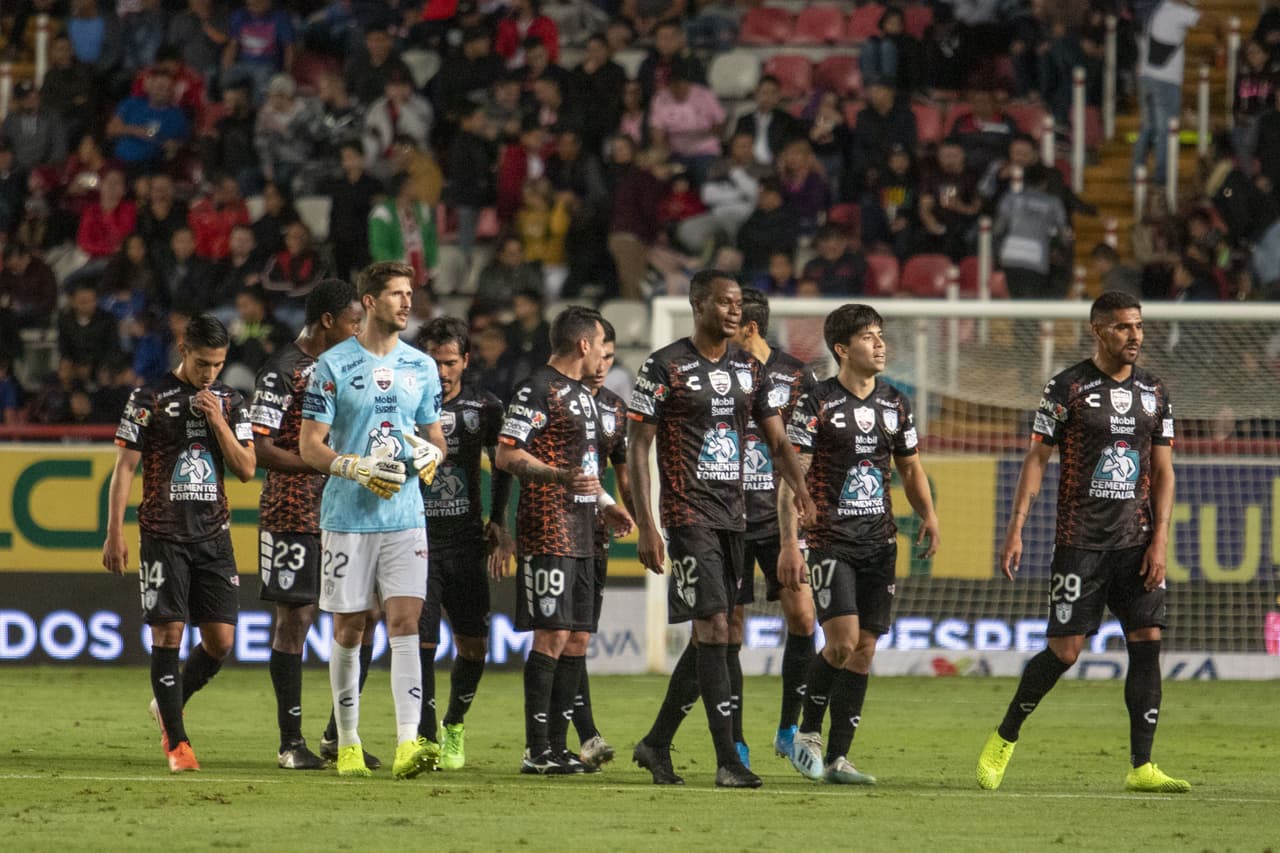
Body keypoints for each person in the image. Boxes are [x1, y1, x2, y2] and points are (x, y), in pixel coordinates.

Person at [975, 291, 1188, 794]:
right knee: (1065, 652)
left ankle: (1142, 766)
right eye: (1122, 327)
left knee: (1147, 643)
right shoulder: (1067, 387)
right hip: (1080, 542)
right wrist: (1016, 526)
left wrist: (1159, 539)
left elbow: (1164, 471)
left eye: (1138, 326)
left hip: (1137, 542)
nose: (1134, 336)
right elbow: (1036, 459)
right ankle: (1005, 736)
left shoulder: (1155, 390)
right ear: (1098, 329)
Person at [628, 270, 816, 789]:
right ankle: (729, 759)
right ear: (698, 305)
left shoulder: (749, 369)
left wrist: (800, 488)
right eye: (724, 303)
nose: (735, 311)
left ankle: (656, 742)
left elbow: (778, 441)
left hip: (736, 516)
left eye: (738, 304)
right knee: (714, 627)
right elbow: (638, 447)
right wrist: (647, 524)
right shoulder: (664, 365)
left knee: (721, 634)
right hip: (688, 514)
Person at [298, 261, 448, 779]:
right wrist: (355, 467)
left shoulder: (421, 366)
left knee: (406, 622)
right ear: (368, 301)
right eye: (396, 294)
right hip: (347, 518)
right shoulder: (332, 365)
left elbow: (435, 436)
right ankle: (347, 742)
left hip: (405, 516)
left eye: (410, 293)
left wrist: (432, 455)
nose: (407, 303)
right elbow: (310, 445)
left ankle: (408, 742)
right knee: (350, 627)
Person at [780, 303, 940, 785]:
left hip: (880, 541)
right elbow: (793, 476)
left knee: (865, 649)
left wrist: (928, 514)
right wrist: (789, 542)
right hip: (832, 541)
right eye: (869, 337)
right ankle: (807, 734)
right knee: (842, 642)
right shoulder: (816, 403)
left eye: (880, 335)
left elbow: (910, 467)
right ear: (842, 349)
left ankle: (839, 759)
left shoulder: (896, 403)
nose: (880, 344)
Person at [101, 315, 257, 772]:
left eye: (219, 364)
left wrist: (218, 420)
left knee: (220, 642)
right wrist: (114, 532)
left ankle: (168, 703)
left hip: (214, 536)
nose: (211, 373)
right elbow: (124, 468)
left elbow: (247, 469)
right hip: (163, 534)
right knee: (168, 633)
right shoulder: (148, 398)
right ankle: (178, 743)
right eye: (203, 362)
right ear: (184, 349)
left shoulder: (230, 401)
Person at [495, 305, 634, 774]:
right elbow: (506, 455)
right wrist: (556, 476)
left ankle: (557, 747)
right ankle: (535, 750)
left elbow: (584, 469)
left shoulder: (589, 398)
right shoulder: (537, 387)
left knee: (576, 639)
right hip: (547, 526)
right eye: (601, 345)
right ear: (584, 344)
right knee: (552, 633)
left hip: (586, 530)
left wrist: (605, 503)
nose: (604, 355)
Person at [250, 279, 365, 770]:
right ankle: (290, 742)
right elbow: (260, 448)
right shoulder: (282, 371)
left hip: (347, 509)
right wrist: (324, 465)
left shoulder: (350, 367)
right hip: (292, 509)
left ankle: (339, 735)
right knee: (295, 620)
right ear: (327, 322)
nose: (359, 331)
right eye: (354, 322)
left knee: (362, 615)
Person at [413, 317, 514, 770]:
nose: (441, 371)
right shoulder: (405, 405)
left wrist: (499, 520)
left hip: (468, 541)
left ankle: (454, 722)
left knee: (474, 647)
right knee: (422, 644)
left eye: (450, 362)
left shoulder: (484, 406)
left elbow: (504, 462)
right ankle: (426, 736)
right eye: (433, 362)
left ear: (466, 361)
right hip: (417, 541)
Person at [728, 288, 818, 765]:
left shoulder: (798, 376)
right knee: (731, 629)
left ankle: (788, 728)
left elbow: (806, 451)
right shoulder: (720, 372)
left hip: (779, 518)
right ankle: (735, 740)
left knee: (803, 616)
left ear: (751, 328)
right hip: (728, 519)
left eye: (731, 325)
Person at [563, 318, 635, 770]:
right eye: (598, 355)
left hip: (595, 535)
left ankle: (577, 737)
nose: (602, 365)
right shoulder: (555, 398)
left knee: (578, 639)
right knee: (561, 638)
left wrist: (640, 520)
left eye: (610, 357)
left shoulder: (613, 407)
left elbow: (622, 473)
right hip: (556, 530)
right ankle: (564, 738)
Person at [1132, 0, 1202, 184]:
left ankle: (1136, 175)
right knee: (1166, 131)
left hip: (1146, 77)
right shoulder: (1176, 11)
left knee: (1148, 127)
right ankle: (1161, 178)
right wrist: (1220, 37)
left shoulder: (1156, 10)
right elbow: (1207, 20)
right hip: (1165, 81)